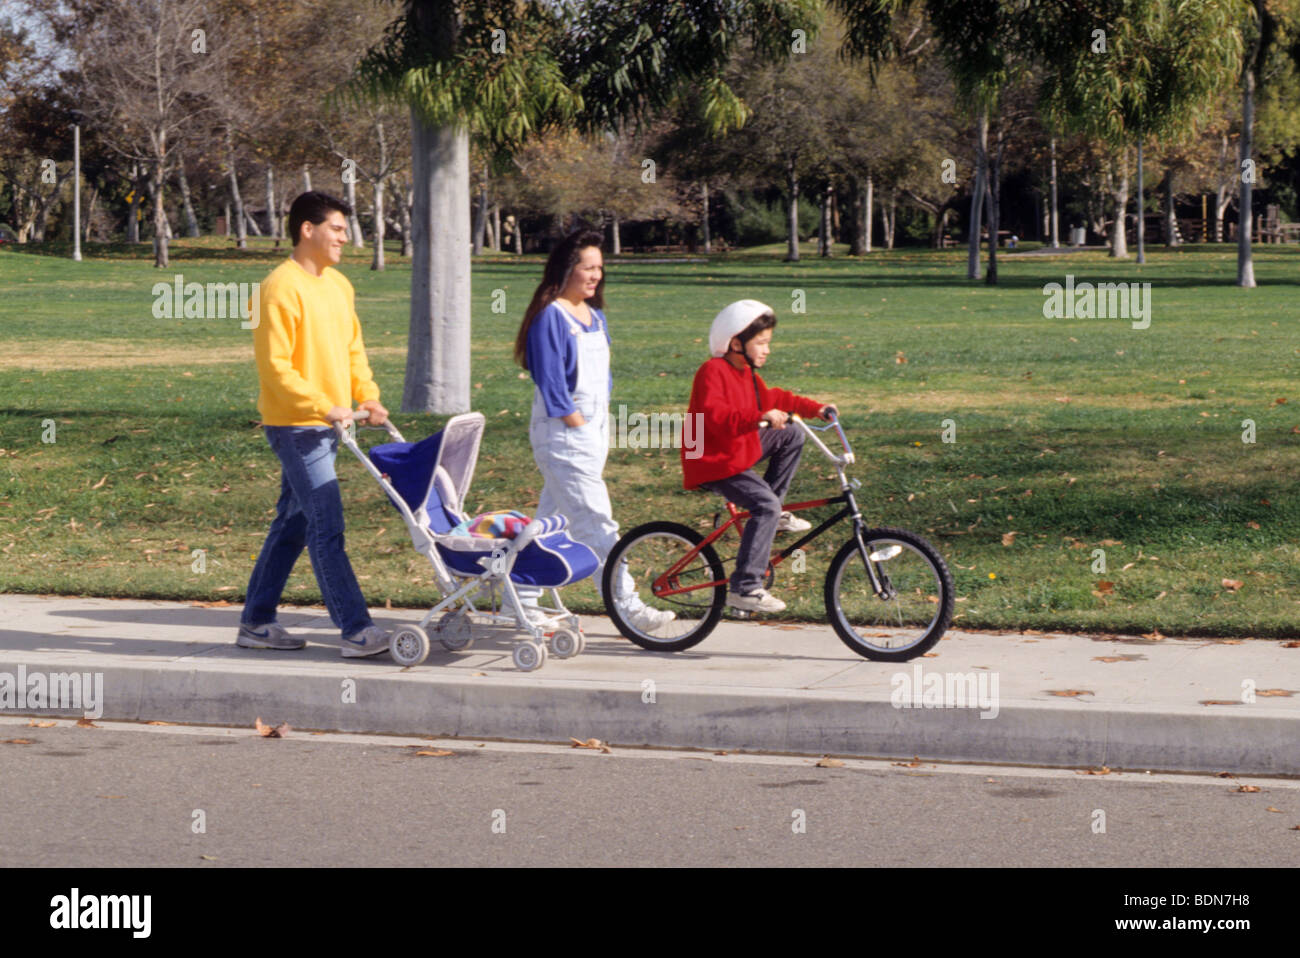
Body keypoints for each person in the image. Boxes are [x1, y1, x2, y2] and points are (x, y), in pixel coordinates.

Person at [236, 191, 391, 657]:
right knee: (327, 525)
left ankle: (256, 622)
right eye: (338, 229)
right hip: (297, 427)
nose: (346, 237)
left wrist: (368, 395)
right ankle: (355, 629)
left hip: (333, 424)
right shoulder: (278, 288)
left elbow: (352, 351)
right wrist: (324, 405)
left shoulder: (339, 285)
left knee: (293, 524)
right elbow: (276, 369)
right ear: (308, 229)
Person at [515, 229, 675, 632]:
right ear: (567, 268)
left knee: (551, 520)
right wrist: (576, 424)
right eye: (589, 267)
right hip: (564, 435)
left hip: (593, 433)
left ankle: (517, 595)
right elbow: (551, 383)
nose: (596, 275)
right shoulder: (551, 315)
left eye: (600, 268)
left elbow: (601, 378)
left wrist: (596, 426)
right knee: (597, 523)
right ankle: (629, 605)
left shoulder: (595, 316)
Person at [681, 300, 837, 613]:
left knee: (792, 432)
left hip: (733, 449)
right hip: (710, 457)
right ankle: (745, 586)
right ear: (735, 343)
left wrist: (815, 409)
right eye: (761, 343)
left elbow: (777, 398)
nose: (766, 350)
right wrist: (758, 416)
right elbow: (715, 415)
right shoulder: (712, 371)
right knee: (764, 505)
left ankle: (773, 513)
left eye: (768, 343)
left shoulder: (747, 375)